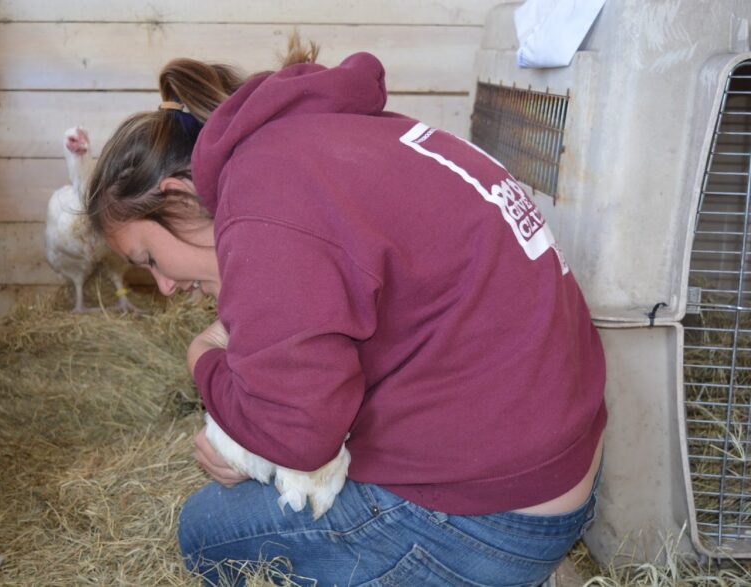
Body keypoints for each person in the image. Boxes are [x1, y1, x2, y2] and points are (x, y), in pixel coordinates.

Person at [87, 36, 607, 587]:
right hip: (558, 465)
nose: (165, 286)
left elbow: (296, 437)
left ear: (178, 198)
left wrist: (203, 362)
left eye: (149, 258)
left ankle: (492, 571)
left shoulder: (263, 206)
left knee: (206, 534)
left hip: (490, 516)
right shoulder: (320, 140)